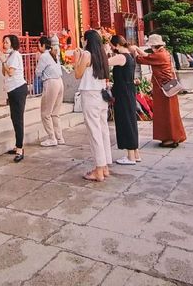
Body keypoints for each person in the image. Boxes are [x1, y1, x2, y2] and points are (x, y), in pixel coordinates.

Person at [131, 34, 186, 148]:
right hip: (167, 87)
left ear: (153, 45)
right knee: (169, 113)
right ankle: (172, 136)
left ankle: (170, 138)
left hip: (163, 89)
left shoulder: (159, 55)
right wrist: (137, 49)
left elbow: (140, 59)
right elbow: (148, 56)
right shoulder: (163, 53)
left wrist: (134, 51)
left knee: (166, 113)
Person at [74, 29, 112, 182]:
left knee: (94, 132)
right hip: (102, 95)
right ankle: (105, 166)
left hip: (90, 95)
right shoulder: (102, 54)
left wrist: (77, 58)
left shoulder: (87, 54)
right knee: (103, 130)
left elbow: (77, 74)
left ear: (87, 41)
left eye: (84, 39)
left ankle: (98, 169)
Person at [108, 35, 141, 165]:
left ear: (116, 45)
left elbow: (104, 62)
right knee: (131, 121)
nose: (111, 48)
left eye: (111, 45)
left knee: (125, 122)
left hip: (123, 93)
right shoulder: (130, 56)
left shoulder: (121, 56)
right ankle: (135, 154)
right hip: (128, 90)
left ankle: (130, 156)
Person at [0, 34, 27, 162]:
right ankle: (17, 145)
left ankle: (20, 149)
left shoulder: (15, 55)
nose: (4, 44)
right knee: (14, 118)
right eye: (3, 42)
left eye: (6, 42)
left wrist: (4, 61)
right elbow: (3, 72)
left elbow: (11, 72)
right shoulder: (9, 56)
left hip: (18, 89)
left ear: (12, 44)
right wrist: (3, 61)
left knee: (18, 119)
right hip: (11, 89)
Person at [36, 35, 65, 146]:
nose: (38, 47)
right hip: (59, 82)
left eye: (39, 45)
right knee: (55, 113)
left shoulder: (44, 56)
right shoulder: (55, 54)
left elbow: (38, 72)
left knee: (45, 113)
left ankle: (52, 138)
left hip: (51, 83)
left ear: (43, 45)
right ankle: (60, 137)